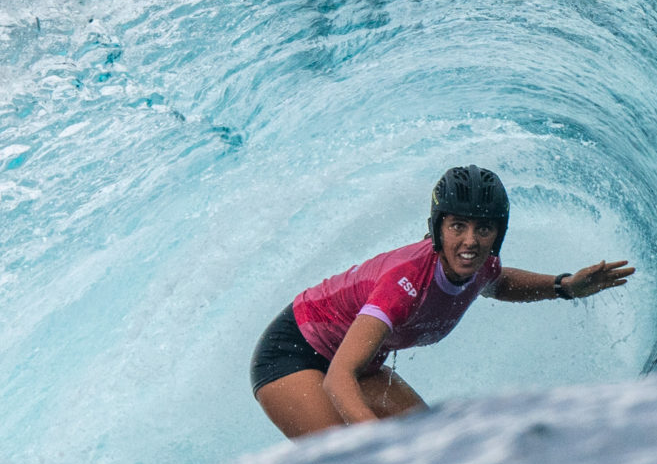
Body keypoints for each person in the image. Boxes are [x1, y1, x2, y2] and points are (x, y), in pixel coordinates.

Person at [250, 165, 634, 439]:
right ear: (438, 228)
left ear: (497, 234)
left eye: (483, 229)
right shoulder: (403, 284)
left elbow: (499, 283)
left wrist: (564, 285)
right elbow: (338, 378)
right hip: (292, 355)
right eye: (457, 227)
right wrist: (375, 443)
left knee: (427, 448)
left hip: (357, 362)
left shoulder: (480, 267)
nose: (470, 241)